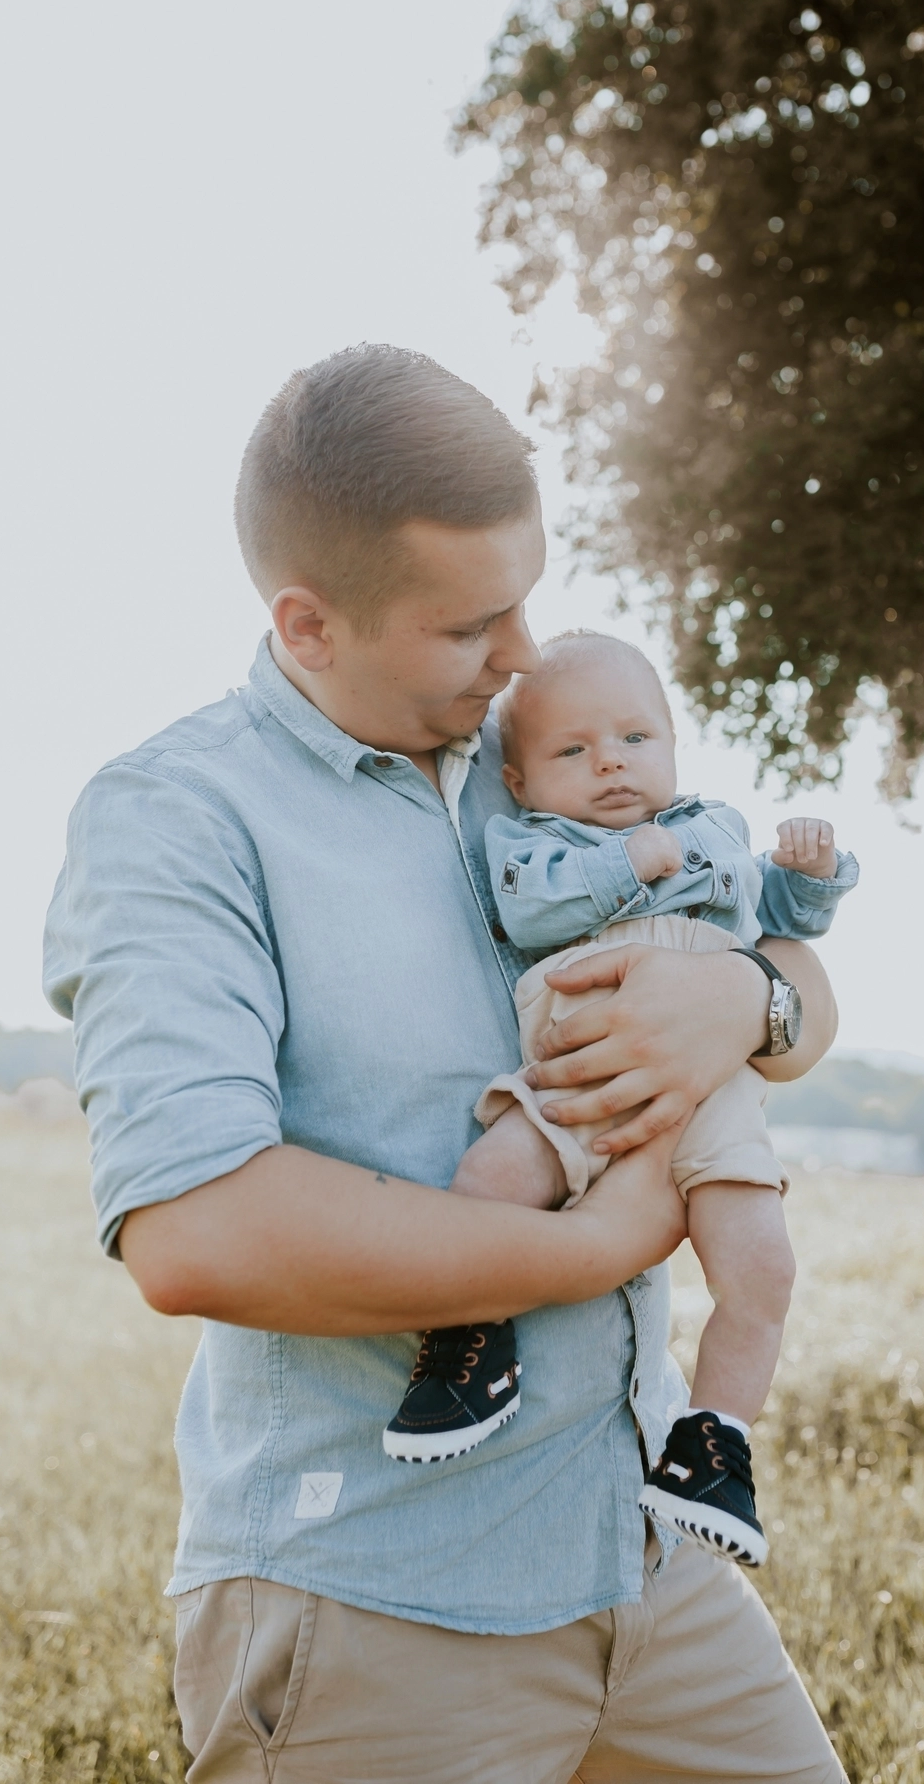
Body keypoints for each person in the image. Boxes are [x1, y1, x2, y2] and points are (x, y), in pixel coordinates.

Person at [43, 343, 848, 1783]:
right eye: (473, 624)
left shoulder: (544, 755)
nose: (524, 652)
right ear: (308, 624)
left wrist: (745, 999)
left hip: (649, 1564)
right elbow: (195, 1231)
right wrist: (595, 1246)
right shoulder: (176, 819)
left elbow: (795, 993)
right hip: (376, 1611)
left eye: (527, 599)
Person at [385, 629, 858, 1573]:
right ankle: (471, 1346)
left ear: (674, 746)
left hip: (715, 1090)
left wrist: (811, 878)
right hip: (577, 1076)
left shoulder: (713, 827)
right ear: (518, 780)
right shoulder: (530, 843)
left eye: (636, 739)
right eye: (573, 750)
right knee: (489, 1180)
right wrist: (629, 862)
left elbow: (778, 925)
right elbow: (530, 911)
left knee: (762, 1265)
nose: (610, 762)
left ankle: (713, 1444)